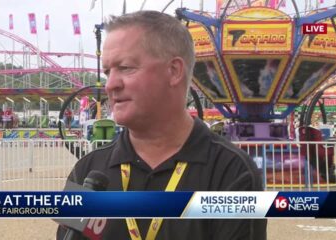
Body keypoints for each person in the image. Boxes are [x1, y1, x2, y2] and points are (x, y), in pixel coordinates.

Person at [57, 11, 266, 240]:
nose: (111, 85)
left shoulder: (232, 172)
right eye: (108, 71)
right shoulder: (88, 172)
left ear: (174, 71)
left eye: (125, 67)